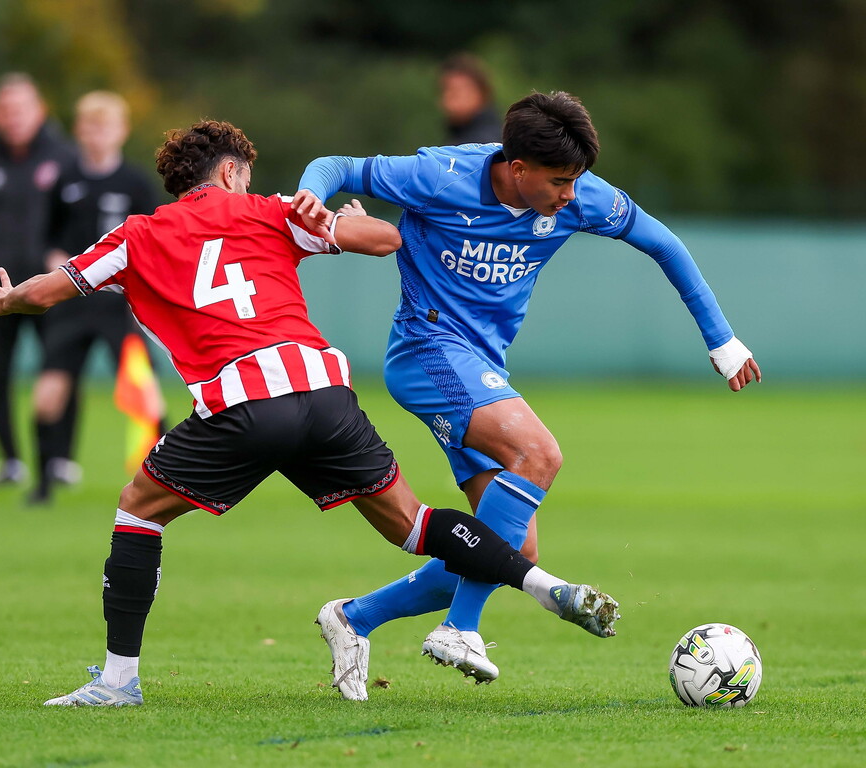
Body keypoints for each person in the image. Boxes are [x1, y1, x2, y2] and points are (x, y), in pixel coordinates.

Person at [0, 119, 612, 707]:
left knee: (138, 507)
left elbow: (50, 292)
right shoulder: (271, 211)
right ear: (230, 172)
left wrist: (6, 299)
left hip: (242, 402)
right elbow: (384, 238)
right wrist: (343, 215)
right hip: (326, 392)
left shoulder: (137, 234)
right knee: (413, 523)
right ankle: (541, 582)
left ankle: (117, 682)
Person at [297, 90, 760, 696]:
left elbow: (665, 245)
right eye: (560, 181)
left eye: (578, 180)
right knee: (539, 455)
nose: (571, 194)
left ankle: (353, 618)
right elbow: (337, 167)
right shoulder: (440, 174)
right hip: (427, 350)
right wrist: (310, 194)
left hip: (483, 367)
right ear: (517, 169)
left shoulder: (579, 194)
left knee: (509, 545)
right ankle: (459, 628)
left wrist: (722, 342)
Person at [30, 91, 163, 504]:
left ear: (122, 131)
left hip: (120, 306)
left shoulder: (136, 182)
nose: (96, 134)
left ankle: (170, 483)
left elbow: (155, 241)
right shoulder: (64, 180)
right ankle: (44, 485)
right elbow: (49, 239)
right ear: (78, 130)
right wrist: (56, 265)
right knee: (49, 394)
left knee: (146, 396)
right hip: (71, 304)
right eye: (89, 125)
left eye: (105, 125)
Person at [0, 73, 76, 485]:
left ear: (40, 111)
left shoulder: (64, 159)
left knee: (60, 369)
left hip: (49, 288)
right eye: (6, 110)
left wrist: (64, 262)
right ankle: (10, 459)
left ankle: (59, 459)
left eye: (21, 108)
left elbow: (75, 218)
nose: (13, 118)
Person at [439, 53, 501, 145]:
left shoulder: (483, 145)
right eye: (443, 91)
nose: (446, 99)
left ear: (481, 93)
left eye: (455, 92)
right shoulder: (460, 135)